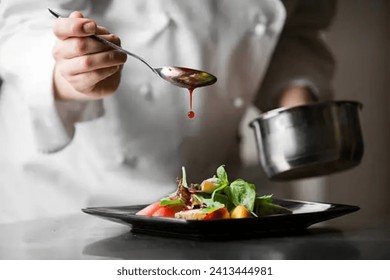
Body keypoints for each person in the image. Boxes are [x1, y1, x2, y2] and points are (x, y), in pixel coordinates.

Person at [0, 0, 335, 223]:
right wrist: (69, 70)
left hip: (213, 195)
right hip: (71, 195)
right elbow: (24, 17)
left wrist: (296, 97)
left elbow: (296, 27)